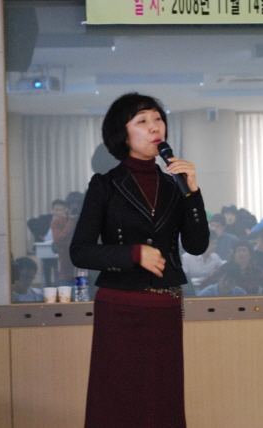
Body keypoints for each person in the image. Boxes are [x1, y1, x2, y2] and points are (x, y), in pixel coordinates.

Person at [69, 92, 209, 428]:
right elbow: (80, 251)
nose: (155, 127)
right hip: (119, 305)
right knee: (115, 399)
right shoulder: (105, 185)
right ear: (123, 133)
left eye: (158, 119)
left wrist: (193, 192)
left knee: (162, 400)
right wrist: (133, 253)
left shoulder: (174, 185)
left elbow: (197, 245)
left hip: (164, 305)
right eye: (142, 121)